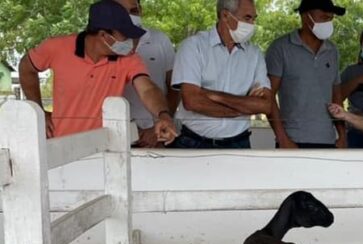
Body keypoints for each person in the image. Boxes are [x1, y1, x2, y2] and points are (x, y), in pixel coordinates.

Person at [18, 0, 176, 144]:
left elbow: (147, 88)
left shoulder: (128, 58)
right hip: (60, 146)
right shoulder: (56, 47)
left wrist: (163, 115)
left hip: (105, 147)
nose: (131, 41)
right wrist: (38, 111)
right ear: (104, 36)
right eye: (125, 35)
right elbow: (26, 68)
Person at [170, 0, 272, 149]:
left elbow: (266, 105)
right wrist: (245, 106)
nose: (252, 24)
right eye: (247, 18)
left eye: (254, 19)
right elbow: (192, 101)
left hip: (239, 143)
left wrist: (213, 95)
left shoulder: (254, 54)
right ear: (225, 15)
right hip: (194, 142)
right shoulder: (193, 47)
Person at [266, 0, 347, 148]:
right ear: (305, 17)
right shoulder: (281, 48)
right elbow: (268, 96)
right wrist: (283, 139)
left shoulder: (332, 51)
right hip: (293, 140)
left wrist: (342, 135)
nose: (328, 23)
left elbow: (337, 97)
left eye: (330, 19)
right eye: (323, 18)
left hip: (328, 140)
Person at [114, 0, 178, 148]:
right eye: (123, 12)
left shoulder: (160, 40)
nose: (130, 16)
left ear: (141, 10)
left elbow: (174, 88)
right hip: (115, 134)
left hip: (156, 133)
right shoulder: (107, 45)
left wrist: (162, 122)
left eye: (134, 11)